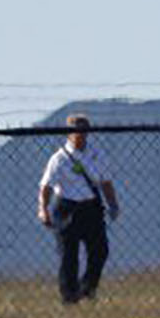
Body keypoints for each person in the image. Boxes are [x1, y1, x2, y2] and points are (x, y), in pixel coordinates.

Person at [36, 114, 120, 304]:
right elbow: (46, 186)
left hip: (91, 207)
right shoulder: (59, 159)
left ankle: (88, 289)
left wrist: (113, 204)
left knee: (100, 251)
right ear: (68, 133)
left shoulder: (97, 155)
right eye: (76, 130)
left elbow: (106, 182)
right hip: (66, 206)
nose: (80, 134)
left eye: (83, 130)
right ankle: (69, 297)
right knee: (68, 255)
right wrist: (43, 209)